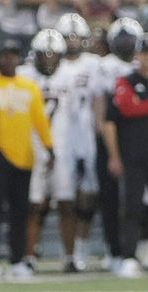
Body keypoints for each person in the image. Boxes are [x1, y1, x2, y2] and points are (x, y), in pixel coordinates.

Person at [103, 33, 148, 278]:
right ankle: (129, 256)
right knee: (131, 206)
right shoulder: (125, 80)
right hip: (132, 154)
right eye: (143, 53)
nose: (146, 58)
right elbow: (124, 108)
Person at [17, 29, 75, 273]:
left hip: (62, 146)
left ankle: (70, 257)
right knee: (33, 205)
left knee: (66, 202)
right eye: (45, 55)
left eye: (54, 56)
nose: (49, 60)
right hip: (34, 148)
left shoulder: (71, 75)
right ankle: (28, 256)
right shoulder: (24, 75)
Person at [0, 37, 54, 278]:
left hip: (23, 156)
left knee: (20, 210)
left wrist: (49, 147)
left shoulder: (29, 86)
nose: (8, 59)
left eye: (12, 55)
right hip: (0, 153)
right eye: (4, 55)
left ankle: (18, 259)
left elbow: (40, 121)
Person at [54, 13, 103, 270]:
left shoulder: (94, 63)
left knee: (89, 196)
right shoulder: (51, 64)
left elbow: (99, 99)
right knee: (65, 198)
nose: (72, 42)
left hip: (87, 138)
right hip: (61, 139)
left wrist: (99, 130)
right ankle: (69, 253)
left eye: (76, 37)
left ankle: (81, 247)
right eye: (68, 37)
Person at [95, 17, 144, 274]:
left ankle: (135, 249)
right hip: (112, 134)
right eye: (122, 40)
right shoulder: (104, 66)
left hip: (137, 137)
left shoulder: (144, 61)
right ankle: (114, 249)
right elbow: (101, 106)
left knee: (136, 199)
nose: (126, 45)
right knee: (110, 197)